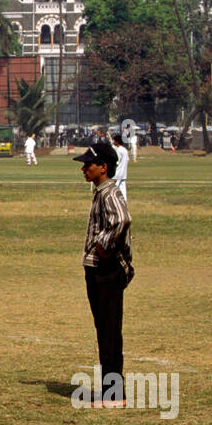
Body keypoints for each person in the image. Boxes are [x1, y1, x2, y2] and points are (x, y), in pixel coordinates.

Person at [74, 143, 132, 408]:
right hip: (99, 270)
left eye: (89, 164)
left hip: (107, 271)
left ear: (103, 168)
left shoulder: (110, 192)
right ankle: (111, 390)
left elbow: (122, 219)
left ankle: (114, 394)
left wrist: (102, 245)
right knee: (104, 330)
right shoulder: (100, 192)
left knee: (109, 330)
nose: (84, 168)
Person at [112, 132, 130, 201]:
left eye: (114, 141)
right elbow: (127, 160)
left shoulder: (119, 150)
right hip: (124, 173)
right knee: (122, 189)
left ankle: (113, 201)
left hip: (118, 173)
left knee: (113, 188)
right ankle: (124, 202)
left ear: (117, 142)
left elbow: (116, 161)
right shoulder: (125, 150)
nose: (113, 142)